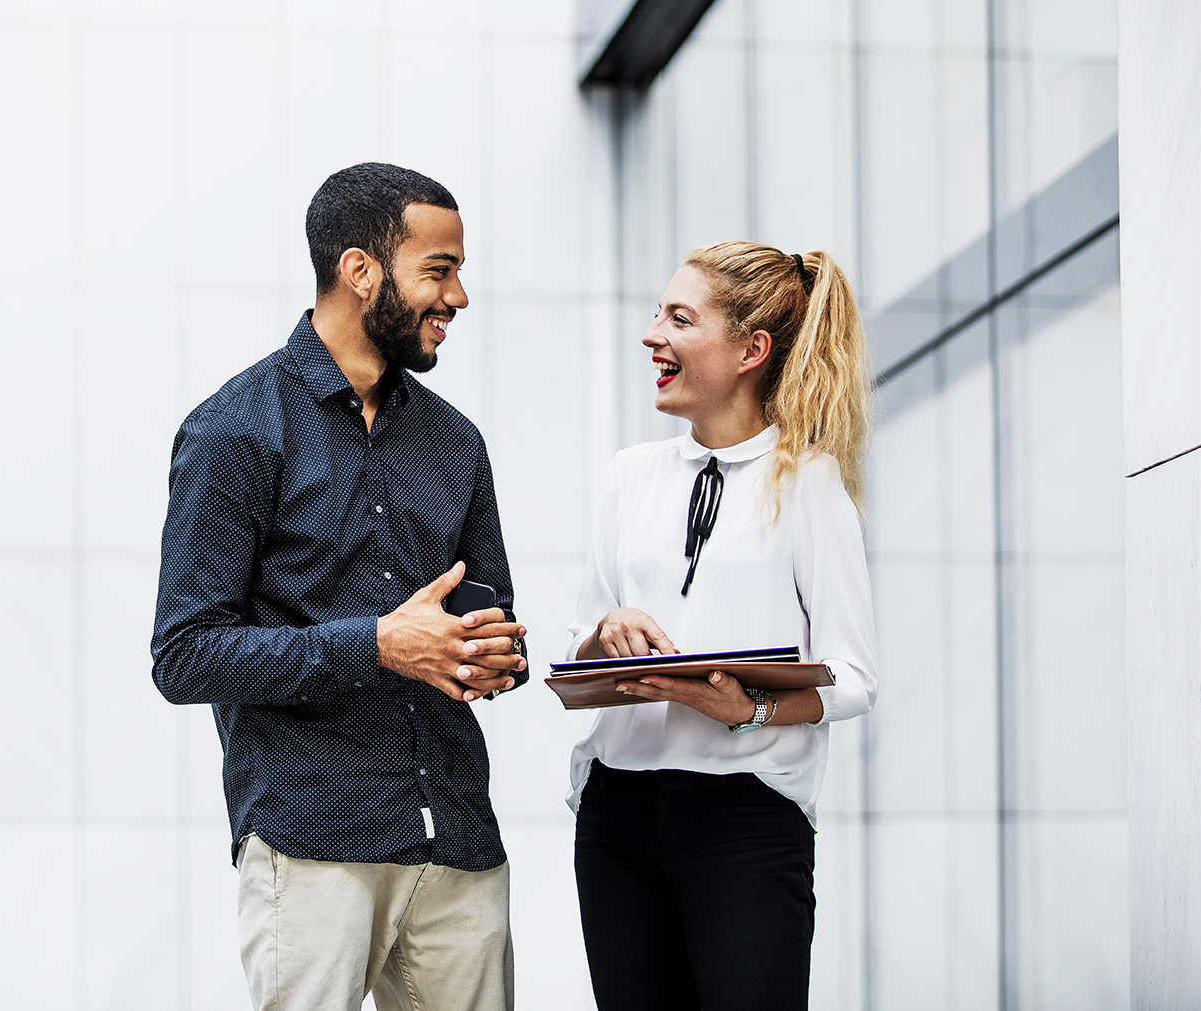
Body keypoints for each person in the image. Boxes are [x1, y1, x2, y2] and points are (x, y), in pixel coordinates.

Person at [151, 163, 529, 1011]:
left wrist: (490, 653)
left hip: (457, 840)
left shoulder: (455, 442)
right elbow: (183, 654)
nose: (458, 296)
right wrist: (377, 645)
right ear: (359, 270)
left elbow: (491, 616)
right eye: (438, 270)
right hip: (312, 840)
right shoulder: (233, 431)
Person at [565, 242, 878, 1009]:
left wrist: (750, 710)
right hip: (616, 812)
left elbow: (853, 678)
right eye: (657, 314)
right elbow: (577, 646)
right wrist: (606, 632)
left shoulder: (808, 482)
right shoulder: (629, 474)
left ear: (749, 349)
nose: (652, 334)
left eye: (678, 318)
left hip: (745, 820)